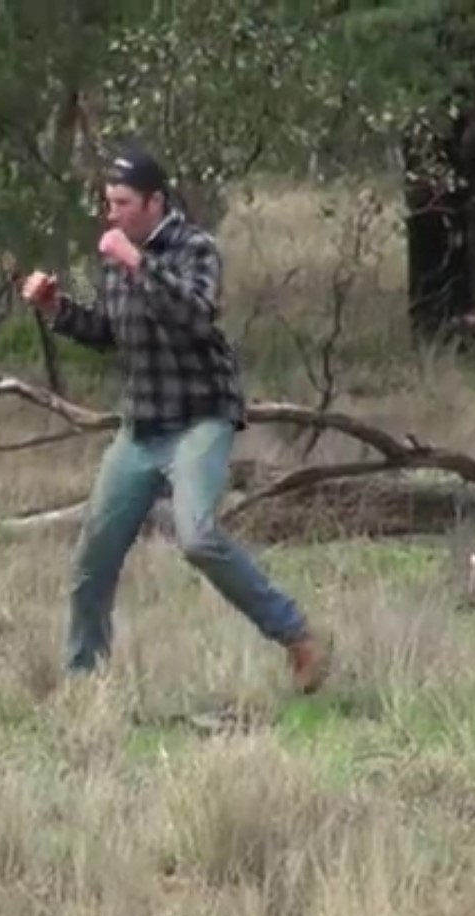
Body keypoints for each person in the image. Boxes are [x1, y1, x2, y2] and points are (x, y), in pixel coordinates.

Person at [20, 142, 327, 693]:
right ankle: (83, 681)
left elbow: (194, 316)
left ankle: (296, 636)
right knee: (93, 557)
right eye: (107, 202)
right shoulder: (111, 256)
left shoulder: (196, 249)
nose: (110, 213)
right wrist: (55, 309)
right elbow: (108, 332)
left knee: (198, 537)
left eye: (121, 202)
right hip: (141, 427)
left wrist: (137, 264)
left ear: (155, 202)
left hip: (200, 419)